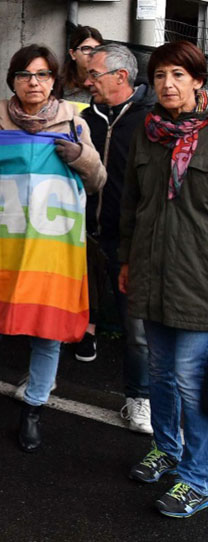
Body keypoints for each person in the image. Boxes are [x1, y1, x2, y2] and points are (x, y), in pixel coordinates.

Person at [0, 44, 106, 453]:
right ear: (12, 81)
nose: (33, 83)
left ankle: (33, 410)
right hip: (0, 240)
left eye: (42, 75)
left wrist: (82, 158)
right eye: (24, 75)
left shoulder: (74, 121)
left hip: (52, 246)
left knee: (47, 333)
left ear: (54, 80)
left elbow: (99, 180)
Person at [119, 40, 208, 519]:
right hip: (151, 274)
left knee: (194, 383)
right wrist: (128, 260)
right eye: (159, 76)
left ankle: (197, 478)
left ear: (197, 80)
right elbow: (133, 203)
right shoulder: (146, 134)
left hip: (200, 281)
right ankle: (167, 450)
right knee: (160, 375)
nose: (168, 84)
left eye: (178, 74)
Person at [80, 43, 157, 434]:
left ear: (121, 77)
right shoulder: (81, 118)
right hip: (79, 235)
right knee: (59, 312)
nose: (86, 80)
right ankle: (40, 382)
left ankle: (138, 400)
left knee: (136, 328)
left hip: (127, 243)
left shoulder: (152, 120)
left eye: (94, 74)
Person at [62, 25, 104, 104]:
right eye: (86, 48)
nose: (92, 53)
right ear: (73, 54)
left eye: (98, 49)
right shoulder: (59, 88)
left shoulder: (108, 85)